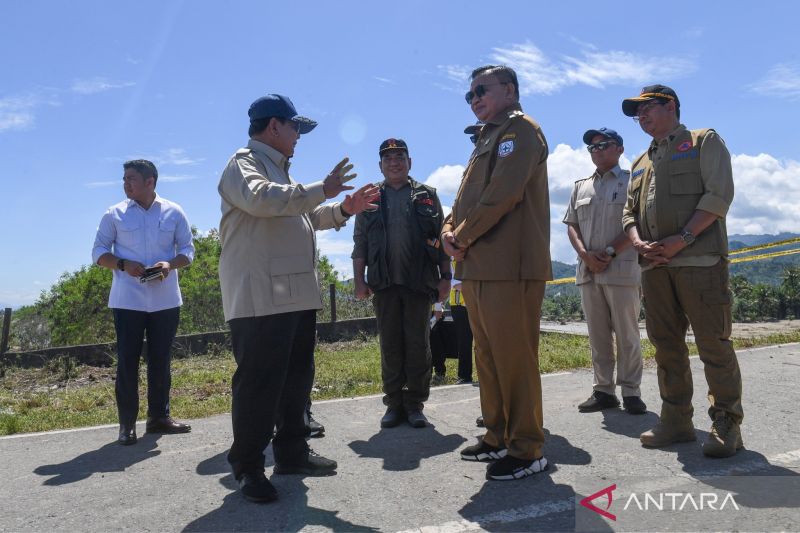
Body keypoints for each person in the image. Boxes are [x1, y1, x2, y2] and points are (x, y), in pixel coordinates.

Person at [218, 94, 379, 503]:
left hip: (292, 296)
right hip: (261, 299)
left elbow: (307, 217)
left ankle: (292, 454)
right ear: (274, 127)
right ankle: (249, 468)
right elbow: (262, 199)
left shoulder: (281, 174)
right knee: (259, 385)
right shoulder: (245, 165)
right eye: (295, 128)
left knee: (295, 382)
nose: (298, 137)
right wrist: (321, 188)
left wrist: (343, 208)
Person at [621, 84, 743, 458]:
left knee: (713, 344)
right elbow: (628, 212)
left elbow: (719, 195)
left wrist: (683, 238)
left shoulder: (703, 141)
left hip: (699, 262)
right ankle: (677, 420)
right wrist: (638, 242)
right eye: (636, 114)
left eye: (647, 109)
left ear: (670, 105)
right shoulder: (640, 162)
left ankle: (726, 423)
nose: (641, 117)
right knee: (666, 347)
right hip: (655, 268)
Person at [442, 65, 552, 480]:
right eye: (469, 95)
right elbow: (464, 199)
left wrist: (462, 235)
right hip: (477, 265)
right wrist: (448, 229)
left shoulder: (520, 131)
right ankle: (497, 436)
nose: (474, 100)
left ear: (509, 90)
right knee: (487, 357)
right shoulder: (487, 137)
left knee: (514, 357)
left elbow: (502, 195)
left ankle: (527, 448)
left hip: (511, 266)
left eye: (481, 91)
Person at [92, 159, 195, 446]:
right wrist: (123, 264)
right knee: (127, 362)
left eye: (131, 179)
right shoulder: (114, 214)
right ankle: (127, 425)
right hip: (128, 300)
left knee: (160, 360)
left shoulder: (174, 212)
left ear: (150, 182)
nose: (125, 184)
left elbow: (188, 250)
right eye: (124, 178)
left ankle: (159, 417)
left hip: (165, 300)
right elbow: (98, 253)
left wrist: (169, 264)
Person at [352, 138, 451, 429]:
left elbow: (441, 240)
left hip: (419, 282)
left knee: (418, 345)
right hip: (384, 284)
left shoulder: (428, 195)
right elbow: (359, 243)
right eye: (388, 158)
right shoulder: (369, 197)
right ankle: (394, 404)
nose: (394, 162)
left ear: (410, 162)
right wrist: (359, 280)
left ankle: (415, 404)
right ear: (380, 165)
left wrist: (446, 277)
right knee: (391, 346)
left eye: (399, 157)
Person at [563, 128, 646, 415]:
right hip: (588, 271)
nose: (596, 150)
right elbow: (571, 225)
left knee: (627, 335)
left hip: (621, 268)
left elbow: (639, 222)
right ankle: (603, 390)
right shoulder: (580, 186)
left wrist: (609, 252)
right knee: (597, 337)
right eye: (592, 147)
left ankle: (631, 392)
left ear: (619, 149)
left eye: (603, 145)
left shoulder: (632, 183)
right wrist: (585, 255)